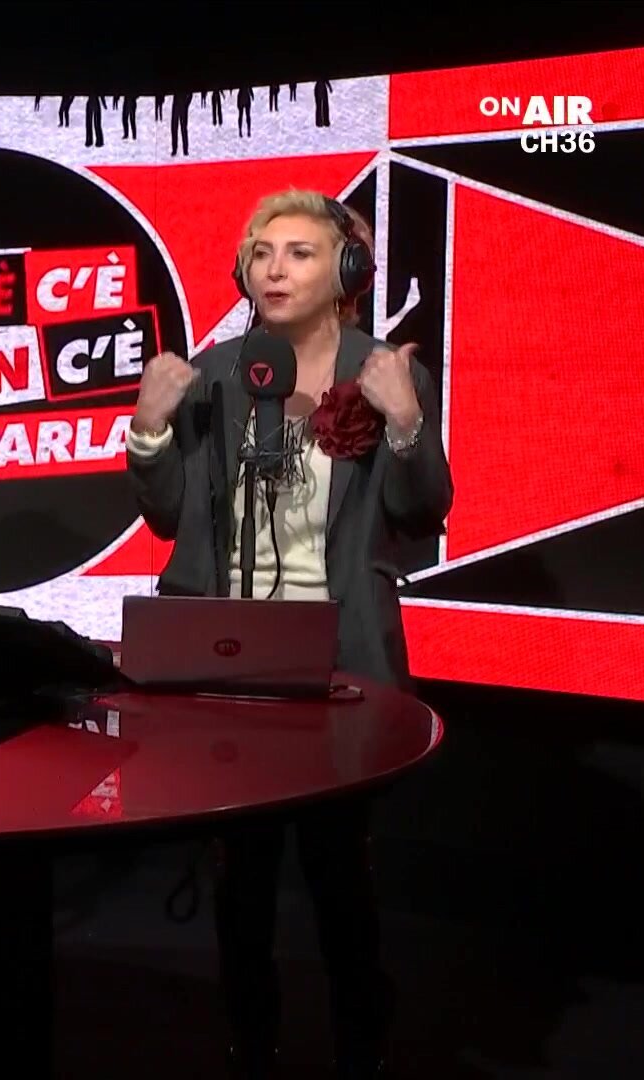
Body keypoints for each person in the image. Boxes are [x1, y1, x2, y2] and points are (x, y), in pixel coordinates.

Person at [126, 189, 452, 1079]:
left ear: (345, 273)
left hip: (343, 667)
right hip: (230, 670)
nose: (274, 269)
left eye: (300, 253)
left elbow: (422, 512)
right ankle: (250, 1042)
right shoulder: (215, 373)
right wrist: (150, 429)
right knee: (243, 882)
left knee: (340, 875)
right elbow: (170, 519)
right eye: (261, 254)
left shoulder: (386, 372)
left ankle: (362, 1041)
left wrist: (405, 421)